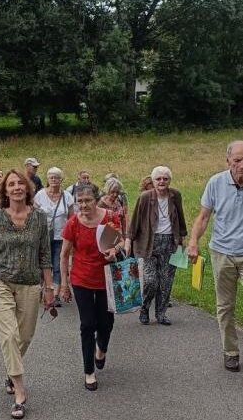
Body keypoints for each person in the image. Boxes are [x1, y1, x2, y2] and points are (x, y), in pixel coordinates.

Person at [0, 170, 53, 420]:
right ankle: (20, 392)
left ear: (27, 189)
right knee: (8, 335)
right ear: (4, 191)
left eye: (20, 184)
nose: (16, 188)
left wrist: (49, 289)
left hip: (30, 283)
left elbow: (45, 255)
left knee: (24, 336)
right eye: (11, 184)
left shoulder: (39, 217)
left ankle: (10, 372)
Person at [187, 141, 243, 372]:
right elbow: (203, 217)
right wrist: (192, 242)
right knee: (225, 306)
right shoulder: (216, 182)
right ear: (228, 161)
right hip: (222, 253)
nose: (242, 165)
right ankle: (231, 352)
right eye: (238, 160)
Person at [60, 183, 122, 391]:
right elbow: (64, 255)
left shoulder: (111, 217)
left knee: (106, 323)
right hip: (82, 280)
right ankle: (89, 372)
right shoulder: (73, 223)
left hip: (106, 278)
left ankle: (101, 349)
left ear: (97, 200)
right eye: (79, 201)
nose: (83, 205)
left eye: (87, 201)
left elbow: (120, 241)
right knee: (87, 325)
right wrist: (64, 285)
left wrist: (115, 250)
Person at [125, 166, 187, 326]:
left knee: (166, 282)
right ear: (153, 181)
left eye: (165, 179)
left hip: (170, 242)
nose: (162, 182)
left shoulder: (175, 195)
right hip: (148, 243)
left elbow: (180, 217)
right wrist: (128, 239)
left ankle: (161, 313)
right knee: (151, 281)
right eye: (158, 179)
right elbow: (135, 220)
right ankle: (145, 308)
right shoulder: (145, 197)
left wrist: (182, 238)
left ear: (169, 181)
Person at [34, 167, 75, 307]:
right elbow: (33, 216)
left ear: (61, 180)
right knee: (42, 265)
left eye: (56, 177)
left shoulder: (68, 197)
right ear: (47, 179)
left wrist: (72, 237)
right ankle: (40, 290)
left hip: (60, 237)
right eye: (51, 177)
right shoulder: (39, 196)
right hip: (42, 237)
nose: (53, 180)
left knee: (57, 265)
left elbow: (71, 218)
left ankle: (56, 294)